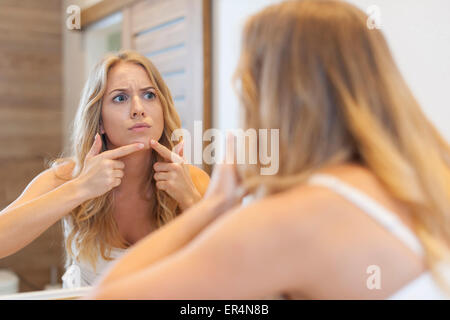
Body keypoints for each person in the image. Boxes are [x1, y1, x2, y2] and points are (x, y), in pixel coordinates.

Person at [88, 0, 448, 299]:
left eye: (245, 81)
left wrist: (213, 204)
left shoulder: (292, 218)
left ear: (273, 94)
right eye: (120, 98)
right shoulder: (432, 176)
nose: (138, 108)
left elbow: (108, 296)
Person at [0, 51, 210, 287]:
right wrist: (81, 188)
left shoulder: (191, 180)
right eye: (120, 98)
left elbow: (231, 269)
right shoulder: (69, 176)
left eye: (149, 95)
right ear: (99, 121)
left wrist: (191, 201)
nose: (138, 109)